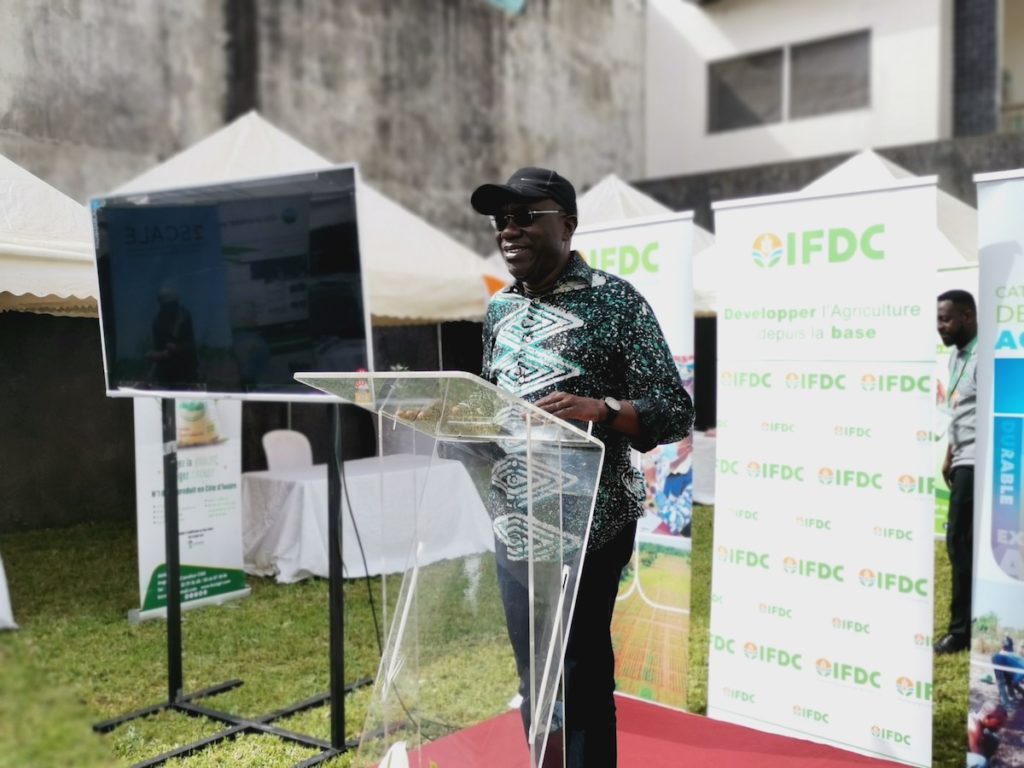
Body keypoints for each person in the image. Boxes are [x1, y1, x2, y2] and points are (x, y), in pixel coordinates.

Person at [471, 167, 694, 767]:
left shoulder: (615, 301)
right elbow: (492, 401)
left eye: (526, 216)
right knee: (534, 675)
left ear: (567, 224)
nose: (510, 230)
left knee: (579, 671)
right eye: (502, 219)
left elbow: (675, 411)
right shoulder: (499, 311)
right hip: (515, 519)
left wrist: (604, 409)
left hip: (593, 521)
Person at [934, 289, 978, 655]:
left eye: (946, 318)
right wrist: (950, 453)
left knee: (959, 543)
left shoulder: (987, 354)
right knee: (963, 545)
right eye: (938, 319)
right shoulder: (955, 357)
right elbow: (959, 408)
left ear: (967, 316)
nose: (940, 326)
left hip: (980, 462)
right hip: (961, 457)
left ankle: (961, 632)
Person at [967, 700, 1007, 767]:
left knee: (993, 740)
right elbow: (977, 755)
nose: (1000, 727)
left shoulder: (978, 719)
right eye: (998, 724)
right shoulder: (974, 728)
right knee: (980, 762)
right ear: (988, 717)